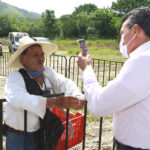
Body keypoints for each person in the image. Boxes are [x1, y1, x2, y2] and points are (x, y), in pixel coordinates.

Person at [77, 7, 150, 150]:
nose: (121, 40)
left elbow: (99, 105)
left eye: (122, 33)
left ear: (135, 31)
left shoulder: (143, 60)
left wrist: (87, 69)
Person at [4, 36, 86, 150]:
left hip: (40, 133)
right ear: (23, 59)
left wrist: (77, 95)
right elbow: (17, 98)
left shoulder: (47, 72)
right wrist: (52, 102)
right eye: (35, 55)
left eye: (41, 54)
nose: (40, 58)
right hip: (18, 137)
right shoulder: (15, 77)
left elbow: (64, 83)